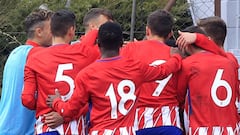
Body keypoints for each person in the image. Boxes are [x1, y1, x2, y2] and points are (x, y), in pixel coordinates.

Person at [46, 21, 182, 135]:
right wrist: (176, 56)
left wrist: (57, 102)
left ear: (98, 43)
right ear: (122, 42)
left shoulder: (87, 74)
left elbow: (69, 110)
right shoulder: (136, 68)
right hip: (127, 131)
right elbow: (163, 71)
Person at [21, 9, 99, 135]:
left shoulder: (34, 57)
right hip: (74, 126)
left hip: (46, 125)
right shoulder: (84, 53)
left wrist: (43, 106)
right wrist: (95, 31)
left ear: (51, 31)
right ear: (72, 31)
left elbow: (27, 99)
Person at [120, 9, 184, 134]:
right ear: (170, 34)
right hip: (169, 119)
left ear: (147, 30)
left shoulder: (130, 49)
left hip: (138, 120)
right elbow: (180, 90)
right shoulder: (175, 54)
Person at [176, 26, 240, 135]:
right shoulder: (229, 61)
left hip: (202, 129)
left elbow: (178, 97)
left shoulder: (188, 64)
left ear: (185, 44)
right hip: (231, 129)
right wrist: (200, 39)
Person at [0, 9, 53, 135]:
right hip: (25, 130)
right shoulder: (38, 55)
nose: (57, 32)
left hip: (5, 127)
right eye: (53, 29)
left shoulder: (15, 52)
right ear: (39, 32)